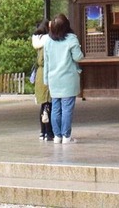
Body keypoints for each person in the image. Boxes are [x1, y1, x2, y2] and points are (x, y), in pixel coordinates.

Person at [43, 13, 83, 143]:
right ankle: (66, 136)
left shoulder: (48, 41)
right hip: (68, 79)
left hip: (53, 79)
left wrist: (46, 80)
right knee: (67, 108)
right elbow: (78, 57)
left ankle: (57, 136)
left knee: (55, 108)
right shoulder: (71, 39)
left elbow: (46, 63)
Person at [31, 18, 54, 141]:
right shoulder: (48, 41)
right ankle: (49, 132)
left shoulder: (37, 41)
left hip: (39, 74)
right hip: (47, 73)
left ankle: (42, 132)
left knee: (43, 105)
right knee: (49, 104)